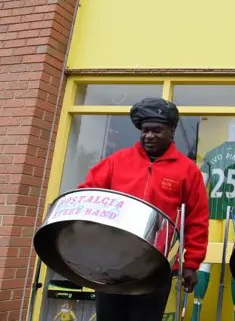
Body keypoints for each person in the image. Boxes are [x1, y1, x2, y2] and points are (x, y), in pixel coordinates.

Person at [77, 98, 209, 321]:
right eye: (145, 130)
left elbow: (196, 219)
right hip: (113, 263)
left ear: (171, 131)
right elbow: (88, 196)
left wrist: (192, 263)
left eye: (157, 130)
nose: (149, 136)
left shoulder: (187, 170)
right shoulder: (116, 161)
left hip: (155, 266)